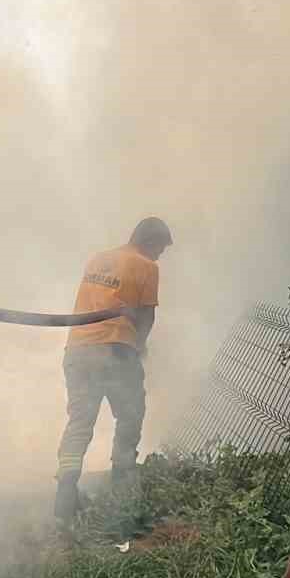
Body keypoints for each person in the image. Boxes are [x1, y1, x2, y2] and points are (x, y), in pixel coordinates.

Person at [53, 217, 172, 526]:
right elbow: (146, 316)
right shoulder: (146, 265)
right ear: (150, 242)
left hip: (77, 349)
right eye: (160, 249)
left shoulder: (99, 258)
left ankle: (65, 492)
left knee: (80, 421)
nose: (160, 256)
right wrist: (140, 347)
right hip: (116, 349)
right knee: (131, 414)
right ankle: (123, 484)